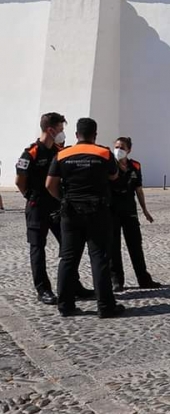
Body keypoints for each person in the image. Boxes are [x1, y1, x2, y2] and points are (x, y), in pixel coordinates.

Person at [46, 118, 125, 318]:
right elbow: (114, 176)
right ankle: (106, 307)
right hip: (97, 211)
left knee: (68, 259)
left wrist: (64, 199)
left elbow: (49, 184)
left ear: (76, 135)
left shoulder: (62, 154)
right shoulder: (104, 153)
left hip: (71, 212)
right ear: (95, 135)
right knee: (99, 258)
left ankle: (65, 305)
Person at [15, 113, 93, 305]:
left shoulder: (59, 151)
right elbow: (19, 181)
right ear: (50, 130)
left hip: (57, 207)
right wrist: (30, 197)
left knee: (69, 247)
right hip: (37, 207)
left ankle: (73, 285)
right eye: (60, 129)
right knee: (37, 248)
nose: (62, 133)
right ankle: (43, 289)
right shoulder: (31, 153)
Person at [108, 137, 160, 292]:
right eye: (116, 146)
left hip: (129, 210)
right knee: (113, 247)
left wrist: (145, 210)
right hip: (112, 211)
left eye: (122, 147)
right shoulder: (109, 165)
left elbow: (138, 189)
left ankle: (144, 279)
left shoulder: (135, 166)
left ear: (129, 150)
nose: (118, 150)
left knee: (135, 245)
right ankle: (116, 281)